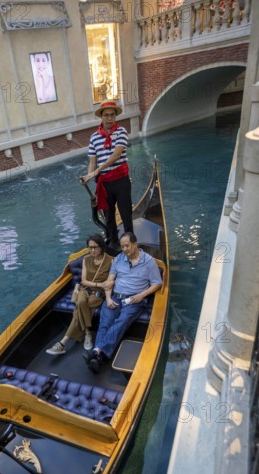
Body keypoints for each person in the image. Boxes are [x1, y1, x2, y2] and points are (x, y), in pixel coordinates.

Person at [84, 232, 162, 373]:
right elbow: (109, 281)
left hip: (134, 299)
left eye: (127, 246)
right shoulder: (119, 259)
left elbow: (157, 283)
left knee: (121, 322)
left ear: (135, 244)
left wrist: (141, 295)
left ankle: (96, 352)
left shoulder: (149, 261)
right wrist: (108, 298)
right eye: (122, 246)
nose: (124, 249)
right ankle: (98, 356)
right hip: (115, 297)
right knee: (105, 322)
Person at [46, 234, 113, 355]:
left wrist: (101, 287)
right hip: (85, 289)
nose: (92, 250)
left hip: (99, 294)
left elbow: (108, 283)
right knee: (81, 302)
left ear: (102, 247)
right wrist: (98, 284)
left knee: (80, 307)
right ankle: (87, 332)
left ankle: (63, 343)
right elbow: (84, 281)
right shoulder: (86, 259)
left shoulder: (110, 261)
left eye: (95, 247)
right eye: (90, 247)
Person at [80, 100, 133, 249]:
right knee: (109, 216)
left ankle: (130, 244)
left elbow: (116, 155)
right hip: (104, 184)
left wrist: (97, 171)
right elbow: (92, 162)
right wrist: (88, 176)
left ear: (115, 116)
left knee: (126, 214)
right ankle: (113, 244)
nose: (109, 118)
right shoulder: (94, 137)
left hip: (121, 181)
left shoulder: (122, 132)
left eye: (112, 115)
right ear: (101, 117)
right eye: (106, 115)